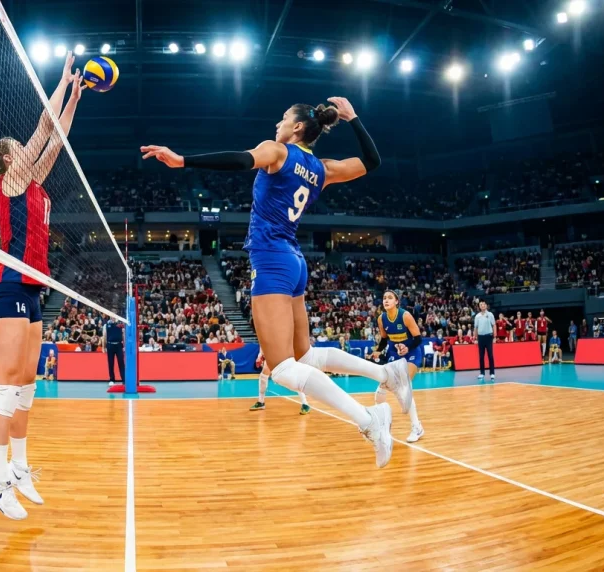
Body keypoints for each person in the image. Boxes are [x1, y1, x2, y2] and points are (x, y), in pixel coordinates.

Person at [142, 96, 405, 468]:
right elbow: (372, 162)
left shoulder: (278, 151)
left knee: (281, 368)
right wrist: (354, 119)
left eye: (283, 118)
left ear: (297, 127)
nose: (276, 124)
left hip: (271, 258)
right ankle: (384, 373)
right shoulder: (321, 168)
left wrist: (182, 159)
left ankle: (369, 421)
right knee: (305, 356)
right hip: (294, 259)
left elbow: (239, 159)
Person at [0, 52, 83, 519]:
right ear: (9, 158)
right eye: (21, 147)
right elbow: (43, 126)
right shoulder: (12, 180)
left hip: (32, 288)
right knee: (8, 382)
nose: (28, 149)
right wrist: (58, 83)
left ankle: (18, 467)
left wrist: (75, 98)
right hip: (10, 284)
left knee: (29, 384)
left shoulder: (32, 182)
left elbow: (56, 138)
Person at [369, 290, 425, 443]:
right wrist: (378, 351)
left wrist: (407, 347)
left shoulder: (405, 316)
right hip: (394, 350)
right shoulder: (381, 319)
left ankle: (417, 427)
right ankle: (378, 424)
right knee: (383, 384)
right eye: (384, 297)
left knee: (403, 386)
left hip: (412, 350)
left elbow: (418, 338)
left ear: (396, 302)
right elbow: (384, 340)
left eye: (390, 298)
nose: (386, 300)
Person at [250, 348, 309, 413]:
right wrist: (260, 355)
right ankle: (261, 402)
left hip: (282, 354)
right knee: (263, 376)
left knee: (290, 379)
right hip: (270, 355)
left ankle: (305, 403)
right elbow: (262, 343)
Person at [474, 301, 496, 381]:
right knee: (481, 356)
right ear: (479, 307)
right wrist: (475, 338)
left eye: (484, 304)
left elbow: (494, 325)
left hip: (488, 337)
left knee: (490, 355)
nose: (482, 306)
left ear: (486, 306)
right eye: (481, 305)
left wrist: (494, 336)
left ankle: (492, 373)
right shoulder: (477, 316)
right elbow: (475, 328)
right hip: (480, 337)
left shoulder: (490, 314)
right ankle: (482, 373)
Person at [103, 316, 125, 387]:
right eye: (112, 316)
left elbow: (123, 335)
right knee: (111, 363)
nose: (113, 317)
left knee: (121, 362)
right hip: (110, 345)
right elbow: (104, 336)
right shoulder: (106, 325)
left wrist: (124, 346)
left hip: (119, 345)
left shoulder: (120, 324)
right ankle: (112, 380)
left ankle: (124, 380)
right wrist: (104, 347)